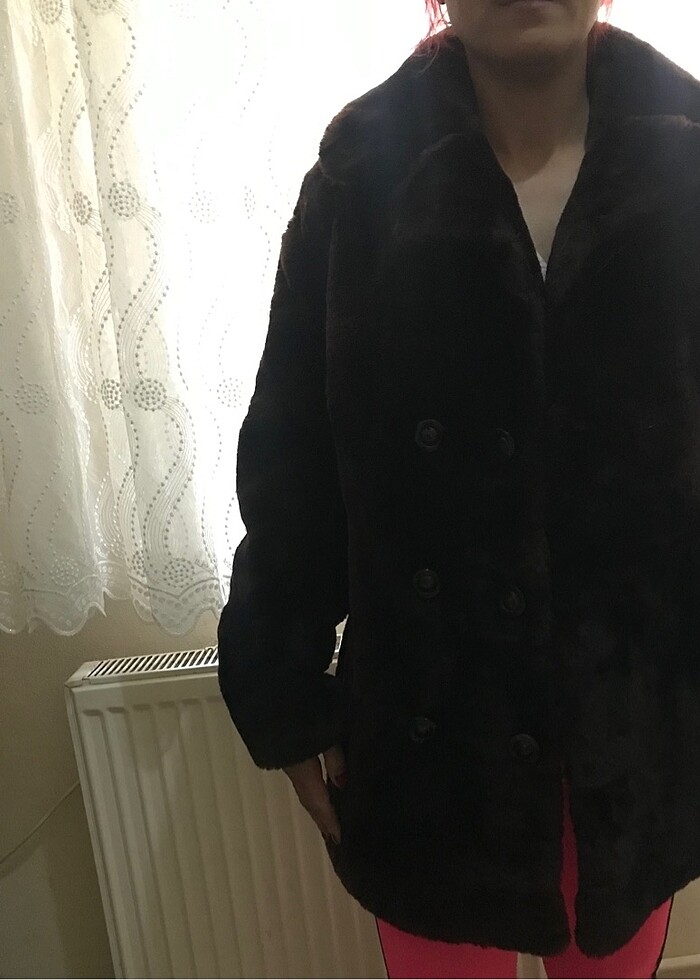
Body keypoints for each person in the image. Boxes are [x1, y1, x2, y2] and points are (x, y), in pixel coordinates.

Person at [217, 0, 700, 976]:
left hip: (638, 733)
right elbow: (291, 460)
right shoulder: (357, 184)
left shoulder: (687, 170)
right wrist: (283, 686)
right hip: (431, 744)